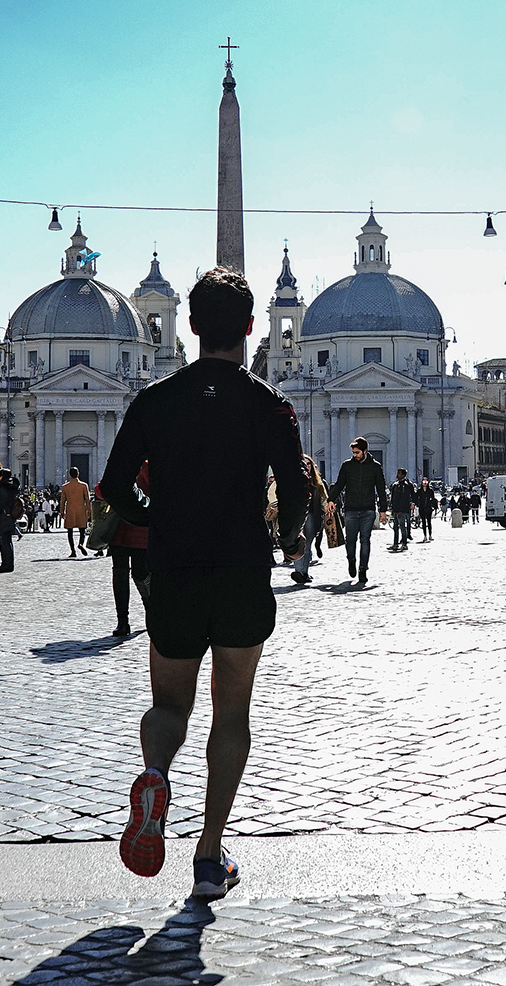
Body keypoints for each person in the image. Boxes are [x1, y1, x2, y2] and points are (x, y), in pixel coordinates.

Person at [99, 267, 308, 901]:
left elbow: (113, 487)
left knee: (169, 705)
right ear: (249, 327)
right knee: (231, 711)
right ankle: (210, 854)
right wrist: (287, 534)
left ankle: (156, 775)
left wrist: (154, 512)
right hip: (243, 569)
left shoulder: (155, 401)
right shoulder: (270, 406)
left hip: (176, 569)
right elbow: (295, 492)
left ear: (190, 326)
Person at [97, 461, 151, 633]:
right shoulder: (151, 466)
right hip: (141, 531)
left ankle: (123, 621)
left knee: (120, 574)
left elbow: (102, 489)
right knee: (141, 574)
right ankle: (151, 614)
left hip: (121, 529)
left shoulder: (123, 465)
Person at [326, 437, 388, 586]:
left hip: (368, 509)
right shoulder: (347, 466)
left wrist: (383, 510)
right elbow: (340, 484)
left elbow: (381, 489)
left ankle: (363, 570)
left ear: (365, 451)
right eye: (353, 452)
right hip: (351, 509)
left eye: (357, 452)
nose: (355, 455)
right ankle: (351, 560)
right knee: (350, 540)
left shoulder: (375, 467)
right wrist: (331, 500)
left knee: (365, 540)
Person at [291, 457, 328, 585]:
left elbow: (324, 499)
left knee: (308, 544)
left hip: (312, 514)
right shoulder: (295, 481)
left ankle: (304, 572)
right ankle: (299, 571)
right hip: (297, 515)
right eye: (304, 464)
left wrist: (329, 510)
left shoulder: (317, 483)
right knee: (298, 542)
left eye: (309, 464)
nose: (307, 466)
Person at [0, 468, 21, 575]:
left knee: (4, 541)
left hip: (2, 516)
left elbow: (2, 502)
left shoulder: (2, 487)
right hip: (7, 516)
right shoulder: (10, 486)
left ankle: (6, 564)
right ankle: (7, 563)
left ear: (2, 477)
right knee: (6, 540)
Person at [60, 467, 92, 557]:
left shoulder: (65, 487)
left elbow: (62, 501)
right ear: (78, 474)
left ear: (70, 475)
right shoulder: (83, 485)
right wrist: (88, 510)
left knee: (70, 532)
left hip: (70, 510)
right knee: (82, 530)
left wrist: (62, 511)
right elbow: (87, 500)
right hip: (81, 510)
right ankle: (81, 543)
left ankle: (73, 551)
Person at [387, 468, 415, 552]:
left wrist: (400, 510)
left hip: (401, 510)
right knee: (395, 528)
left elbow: (404, 499)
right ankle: (395, 544)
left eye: (399, 473)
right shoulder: (395, 485)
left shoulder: (405, 485)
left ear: (403, 475)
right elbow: (393, 498)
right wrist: (391, 508)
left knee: (402, 527)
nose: (397, 474)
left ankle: (404, 543)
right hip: (395, 509)